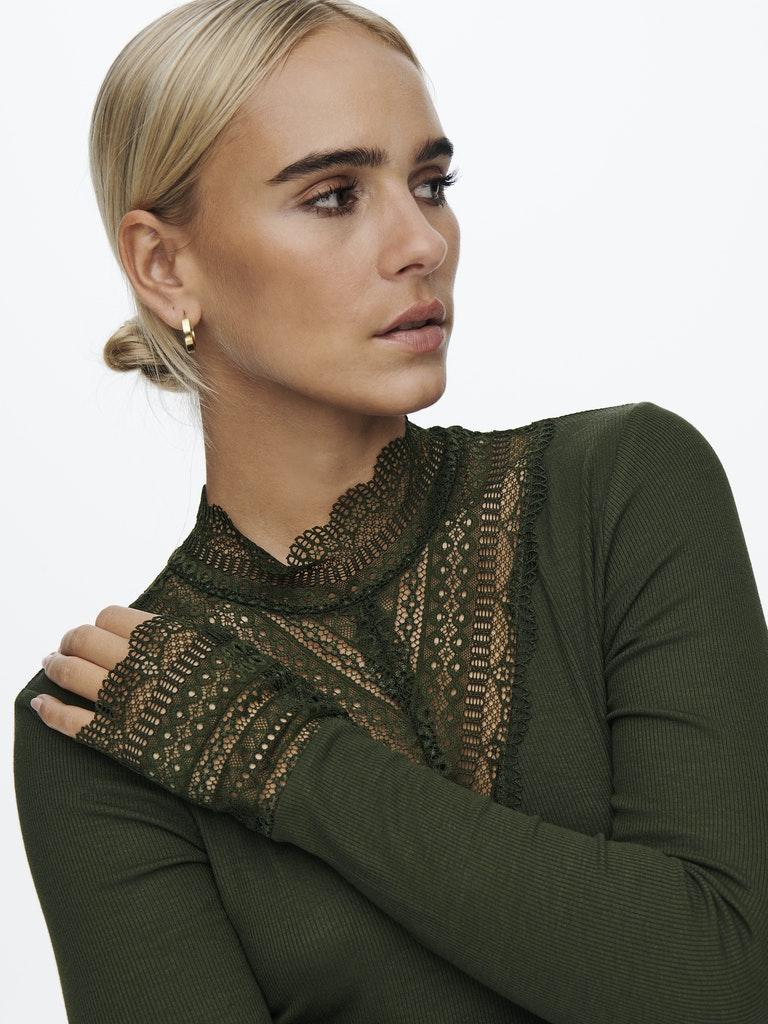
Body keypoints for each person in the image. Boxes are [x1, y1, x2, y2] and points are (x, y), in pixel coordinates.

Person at [13, 1, 768, 1022]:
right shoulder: (103, 718)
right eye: (333, 196)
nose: (422, 242)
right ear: (164, 265)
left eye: (432, 185)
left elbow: (723, 982)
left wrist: (286, 760)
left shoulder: (621, 491)